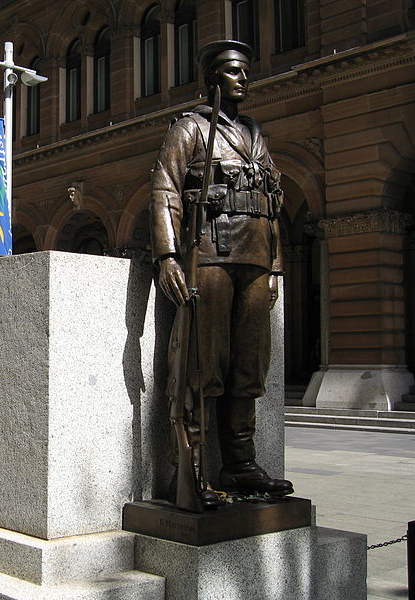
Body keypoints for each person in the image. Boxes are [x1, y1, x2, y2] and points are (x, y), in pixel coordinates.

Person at [150, 40, 293, 509]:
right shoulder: (190, 128)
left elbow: (273, 200)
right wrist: (168, 255)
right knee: (201, 363)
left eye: (245, 70)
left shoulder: (255, 133)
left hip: (254, 258)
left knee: (249, 367)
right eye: (233, 71)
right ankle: (189, 467)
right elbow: (166, 189)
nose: (243, 78)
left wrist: (274, 266)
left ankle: (240, 462)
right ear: (212, 78)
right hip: (208, 254)